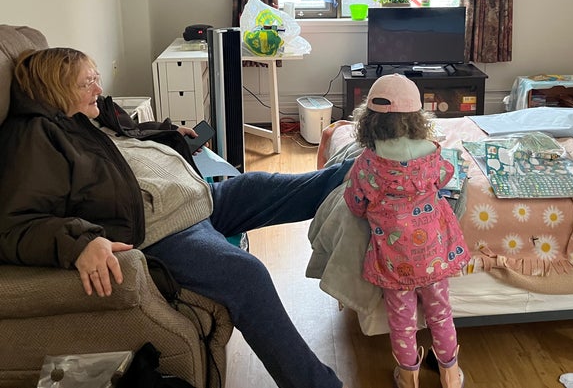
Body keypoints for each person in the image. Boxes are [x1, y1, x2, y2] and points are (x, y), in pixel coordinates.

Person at [0, 47, 354, 388]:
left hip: (198, 198)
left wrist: (170, 134)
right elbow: (15, 225)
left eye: (96, 77)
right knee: (247, 275)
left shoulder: (87, 118)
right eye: (86, 82)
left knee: (270, 184)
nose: (99, 88)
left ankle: (374, 169)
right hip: (166, 230)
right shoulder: (35, 137)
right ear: (55, 89)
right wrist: (80, 242)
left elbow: (124, 144)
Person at [342, 74, 469, 388]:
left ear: (368, 121)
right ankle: (450, 375)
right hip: (434, 256)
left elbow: (355, 203)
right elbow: (445, 176)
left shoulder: (368, 164)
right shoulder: (432, 152)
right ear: (417, 119)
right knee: (440, 312)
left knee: (402, 320)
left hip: (394, 259)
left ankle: (409, 376)